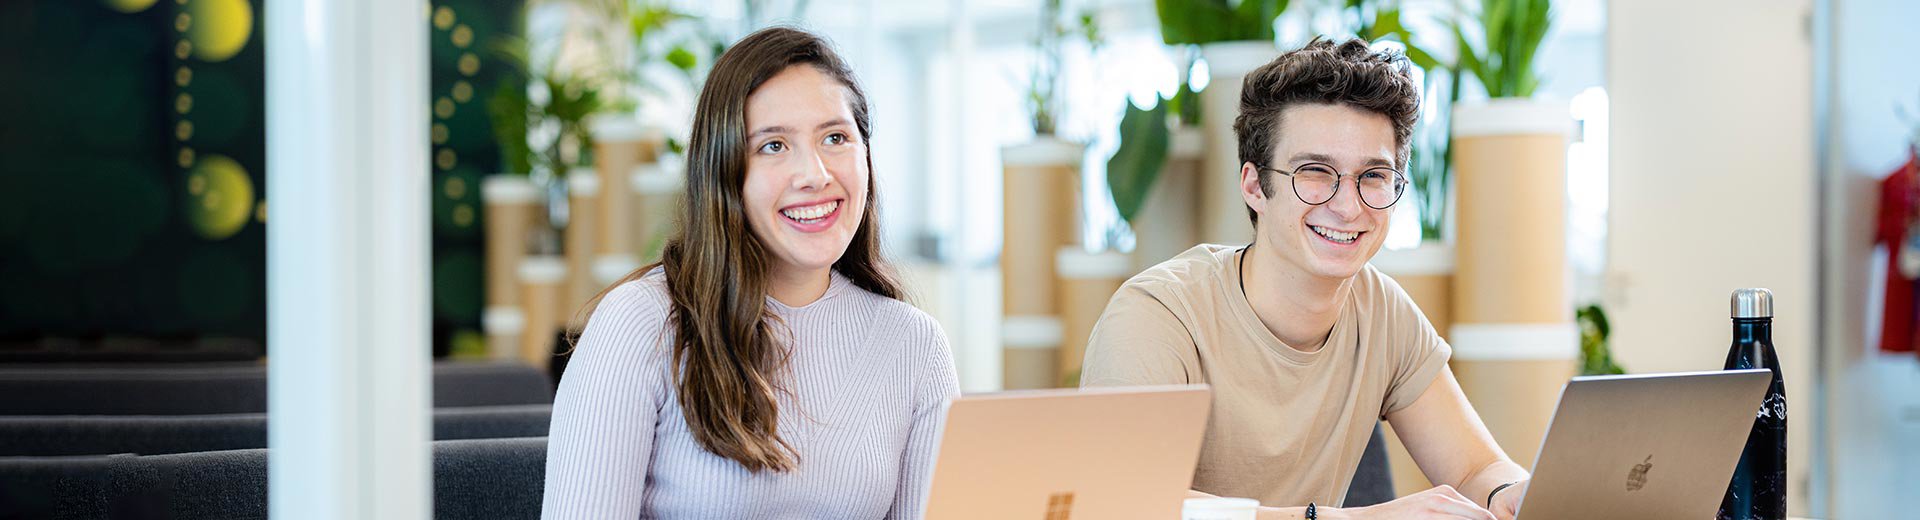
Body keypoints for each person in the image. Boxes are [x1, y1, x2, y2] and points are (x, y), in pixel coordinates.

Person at [1080, 37, 1530, 520]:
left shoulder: (1382, 311)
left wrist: (1511, 492)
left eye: (1374, 175)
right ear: (1255, 185)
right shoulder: (1158, 316)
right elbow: (1126, 504)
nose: (1348, 205)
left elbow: (1474, 469)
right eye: (1315, 171)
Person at [542, 27, 958, 519]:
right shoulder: (641, 323)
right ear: (724, 174)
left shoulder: (914, 345)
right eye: (774, 146)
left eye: (835, 137)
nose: (816, 174)